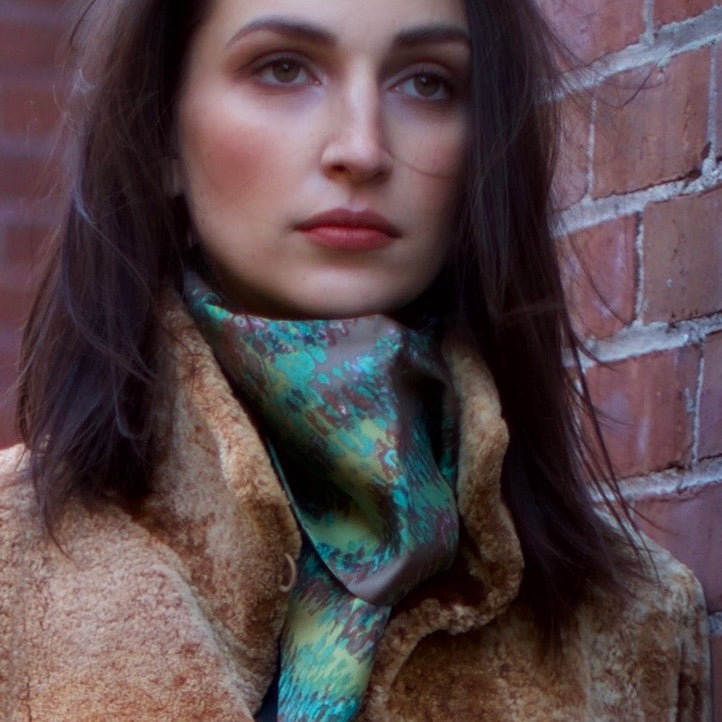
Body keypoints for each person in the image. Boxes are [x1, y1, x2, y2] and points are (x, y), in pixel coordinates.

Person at [0, 0, 711, 719]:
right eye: (283, 68)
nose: (364, 149)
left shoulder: (635, 625)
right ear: (162, 139)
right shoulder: (13, 566)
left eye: (427, 83)